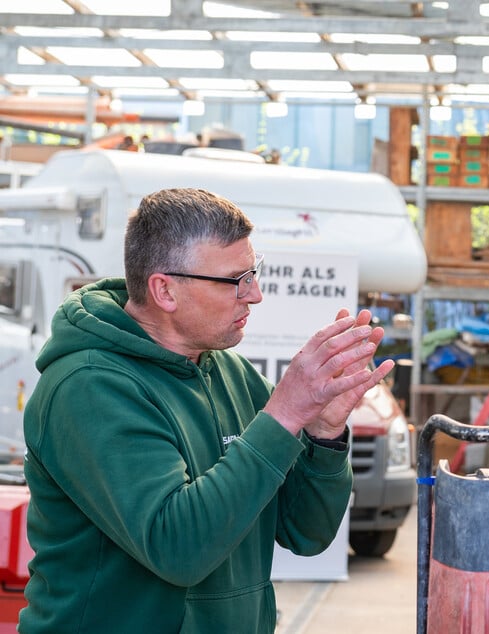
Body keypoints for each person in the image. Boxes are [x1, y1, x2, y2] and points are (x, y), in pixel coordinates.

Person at [18, 188, 393, 633]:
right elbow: (178, 548)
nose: (254, 295)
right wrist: (283, 416)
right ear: (165, 290)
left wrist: (324, 434)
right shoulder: (88, 387)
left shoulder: (232, 374)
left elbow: (306, 533)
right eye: (235, 280)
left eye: (253, 273)